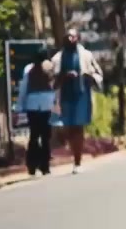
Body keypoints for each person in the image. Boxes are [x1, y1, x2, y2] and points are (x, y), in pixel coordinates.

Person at [51, 29, 102, 175]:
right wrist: (64, 76)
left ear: (78, 38)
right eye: (68, 36)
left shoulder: (87, 55)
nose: (70, 39)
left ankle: (77, 161)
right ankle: (74, 154)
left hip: (82, 96)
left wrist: (89, 77)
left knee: (78, 128)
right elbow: (52, 83)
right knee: (68, 129)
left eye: (73, 36)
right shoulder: (57, 59)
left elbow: (98, 74)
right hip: (65, 97)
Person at [16, 50, 56, 176]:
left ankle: (32, 164)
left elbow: (23, 88)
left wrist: (19, 106)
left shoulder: (29, 69)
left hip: (32, 105)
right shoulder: (51, 67)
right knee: (46, 137)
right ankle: (45, 166)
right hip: (47, 104)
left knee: (34, 136)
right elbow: (55, 87)